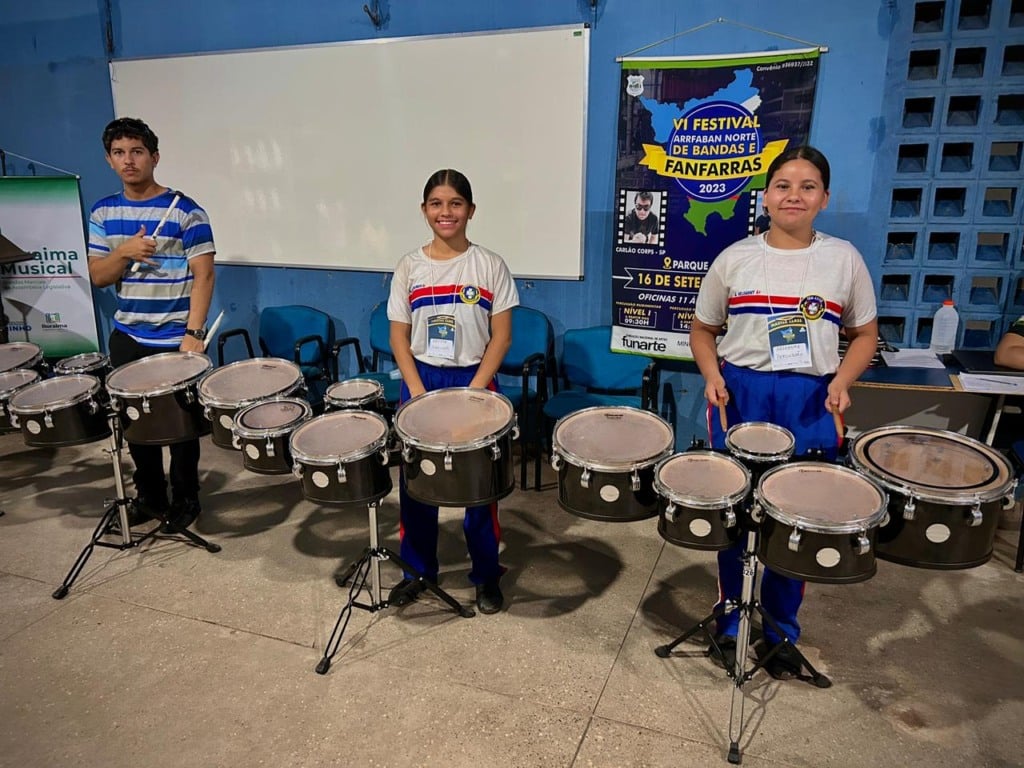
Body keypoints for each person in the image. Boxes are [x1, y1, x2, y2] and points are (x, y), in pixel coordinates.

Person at [689, 145, 878, 678]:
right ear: (766, 196)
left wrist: (842, 380)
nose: (794, 195)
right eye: (783, 185)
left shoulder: (843, 259)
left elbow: (864, 336)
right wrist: (711, 375)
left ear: (825, 197)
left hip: (809, 397)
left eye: (808, 185)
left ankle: (779, 631)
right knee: (735, 512)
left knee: (799, 518)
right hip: (742, 391)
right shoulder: (735, 258)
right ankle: (729, 621)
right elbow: (703, 331)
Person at [386, 169, 519, 614]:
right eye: (437, 204)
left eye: (456, 203)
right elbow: (399, 337)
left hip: (475, 381)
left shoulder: (489, 265)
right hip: (421, 381)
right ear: (424, 210)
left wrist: (473, 394)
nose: (447, 212)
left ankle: (486, 575)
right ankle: (417, 572)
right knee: (416, 485)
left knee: (480, 487)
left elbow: (500, 337)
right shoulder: (410, 266)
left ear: (471, 210)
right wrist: (419, 394)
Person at [87, 117, 216, 531]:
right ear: (109, 160)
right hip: (128, 336)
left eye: (137, 151)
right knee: (136, 425)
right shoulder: (103, 212)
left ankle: (186, 498)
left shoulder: (186, 210)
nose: (129, 160)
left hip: (176, 338)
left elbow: (204, 275)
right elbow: (99, 275)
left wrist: (194, 335)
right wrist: (124, 250)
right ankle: (150, 497)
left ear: (154, 157)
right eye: (120, 153)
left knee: (181, 428)